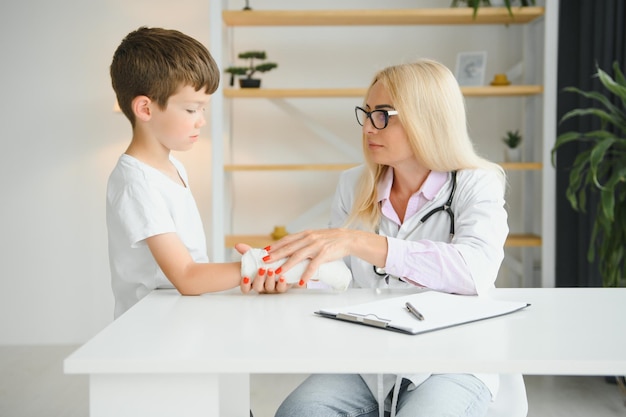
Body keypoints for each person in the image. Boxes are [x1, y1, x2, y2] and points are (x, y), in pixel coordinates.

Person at [249, 59, 509, 417]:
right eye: (367, 113)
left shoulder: (476, 183)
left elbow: (476, 270)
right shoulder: (354, 185)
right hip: (370, 363)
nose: (369, 127)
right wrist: (292, 277)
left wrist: (362, 243)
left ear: (426, 117)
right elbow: (340, 281)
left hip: (451, 362)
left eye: (383, 114)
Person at [107, 27, 252, 318]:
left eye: (203, 110)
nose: (201, 121)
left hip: (179, 316)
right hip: (152, 328)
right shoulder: (137, 184)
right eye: (191, 110)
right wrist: (253, 268)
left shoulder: (171, 167)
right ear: (145, 108)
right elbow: (186, 276)